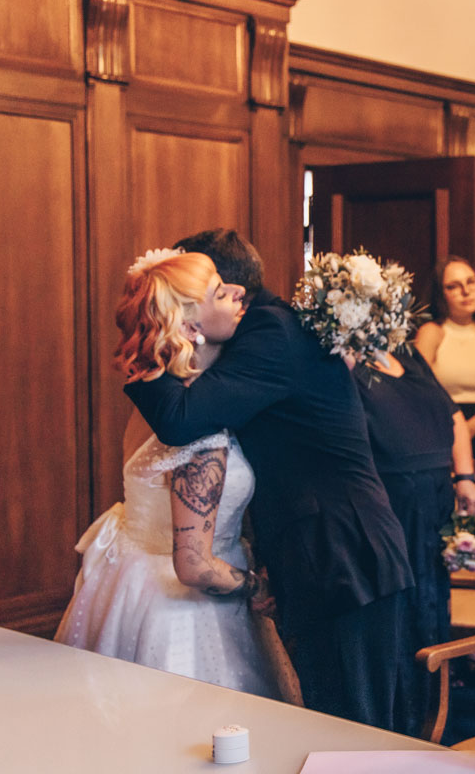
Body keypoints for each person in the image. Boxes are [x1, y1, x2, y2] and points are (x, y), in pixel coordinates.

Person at [123, 229, 414, 730]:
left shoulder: (270, 336)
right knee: (337, 723)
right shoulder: (270, 329)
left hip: (343, 556)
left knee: (356, 733)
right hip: (327, 555)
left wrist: (140, 349)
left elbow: (180, 420)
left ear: (231, 288)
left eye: (201, 289)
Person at [55, 249, 280, 698]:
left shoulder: (156, 402)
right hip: (186, 613)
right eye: (220, 290)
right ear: (193, 327)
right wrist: (257, 586)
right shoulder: (199, 427)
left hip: (124, 587)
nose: (237, 293)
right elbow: (194, 565)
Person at [352, 343, 475, 738]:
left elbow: (454, 415)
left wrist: (465, 476)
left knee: (432, 607)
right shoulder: (347, 362)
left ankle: (435, 714)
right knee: (400, 611)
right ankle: (400, 724)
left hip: (435, 501)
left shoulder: (408, 355)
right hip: (389, 503)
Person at [416, 256, 475, 459]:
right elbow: (419, 389)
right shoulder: (431, 332)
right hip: (443, 429)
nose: (466, 291)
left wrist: (469, 429)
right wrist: (458, 430)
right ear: (440, 294)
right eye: (453, 286)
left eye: (471, 282)